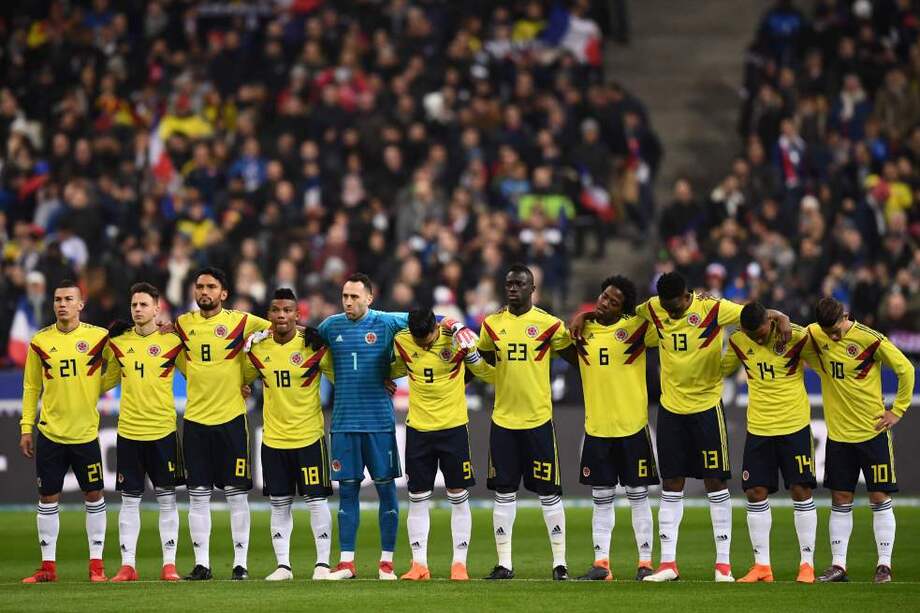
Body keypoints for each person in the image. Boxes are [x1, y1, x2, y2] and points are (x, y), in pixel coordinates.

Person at [571, 271, 792, 582]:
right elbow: (614, 313)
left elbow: (750, 313)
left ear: (687, 296)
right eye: (667, 308)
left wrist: (779, 316)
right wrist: (585, 315)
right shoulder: (653, 308)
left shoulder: (712, 309)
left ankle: (723, 566)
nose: (671, 313)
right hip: (671, 409)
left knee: (716, 483)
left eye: (675, 307)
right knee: (671, 484)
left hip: (706, 408)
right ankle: (668, 565)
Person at [316, 273, 476, 580]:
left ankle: (386, 564)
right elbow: (304, 344)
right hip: (344, 422)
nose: (348, 302)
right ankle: (346, 563)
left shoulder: (388, 322)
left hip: (380, 422)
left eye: (354, 297)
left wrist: (455, 324)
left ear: (369, 298)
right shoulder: (330, 326)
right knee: (347, 492)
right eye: (345, 296)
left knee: (387, 491)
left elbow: (428, 319)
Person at [477, 264, 580, 581]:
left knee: (549, 493)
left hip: (538, 420)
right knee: (504, 492)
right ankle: (504, 563)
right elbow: (482, 363)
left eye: (519, 284)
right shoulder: (492, 325)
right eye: (508, 283)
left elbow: (576, 359)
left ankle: (560, 563)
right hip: (504, 421)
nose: (512, 288)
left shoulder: (549, 325)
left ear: (532, 289)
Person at [807, 297, 914, 583]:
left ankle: (884, 565)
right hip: (839, 436)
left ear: (845, 315)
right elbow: (787, 329)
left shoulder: (870, 340)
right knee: (840, 498)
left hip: (872, 433)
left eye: (836, 330)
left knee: (879, 496)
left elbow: (906, 369)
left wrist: (898, 410)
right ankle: (838, 566)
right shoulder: (816, 333)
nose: (832, 336)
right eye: (827, 331)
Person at [174, 267, 271, 581]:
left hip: (231, 420)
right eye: (200, 286)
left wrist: (247, 376)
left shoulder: (241, 321)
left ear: (223, 293)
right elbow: (169, 350)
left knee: (236, 495)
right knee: (198, 495)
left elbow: (277, 331)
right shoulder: (181, 324)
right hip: (196, 422)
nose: (204, 292)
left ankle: (239, 563)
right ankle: (202, 564)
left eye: (211, 287)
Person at [20, 280, 118, 583]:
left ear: (81, 304)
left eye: (68, 299)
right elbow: (31, 387)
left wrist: (95, 388)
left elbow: (119, 365)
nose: (62, 304)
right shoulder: (39, 341)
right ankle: (48, 568)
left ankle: (97, 566)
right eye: (58, 299)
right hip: (50, 433)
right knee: (48, 498)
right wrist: (26, 427)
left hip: (86, 434)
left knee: (94, 495)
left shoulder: (99, 338)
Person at [390, 308, 494, 581]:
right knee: (417, 498)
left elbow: (487, 374)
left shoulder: (454, 338)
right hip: (418, 430)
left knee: (458, 496)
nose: (423, 344)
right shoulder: (402, 340)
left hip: (453, 429)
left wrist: (471, 354)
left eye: (427, 339)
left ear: (436, 328)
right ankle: (418, 565)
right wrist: (383, 377)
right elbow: (392, 366)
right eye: (418, 340)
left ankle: (459, 564)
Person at [721, 302, 819, 584]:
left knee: (801, 490)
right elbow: (722, 367)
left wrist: (784, 315)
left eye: (762, 333)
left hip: (794, 426)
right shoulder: (739, 340)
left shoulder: (796, 336)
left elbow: (825, 357)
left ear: (770, 321)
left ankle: (807, 564)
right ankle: (762, 566)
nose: (758, 339)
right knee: (755, 491)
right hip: (759, 428)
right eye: (753, 335)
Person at [243, 289, 334, 581]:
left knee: (316, 501)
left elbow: (341, 375)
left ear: (298, 315)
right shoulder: (257, 349)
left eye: (287, 310)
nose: (281, 315)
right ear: (268, 315)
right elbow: (241, 380)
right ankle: (283, 565)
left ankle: (322, 564)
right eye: (276, 310)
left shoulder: (313, 345)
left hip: (309, 437)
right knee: (279, 503)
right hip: (273, 440)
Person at [573, 275, 659, 581]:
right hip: (597, 428)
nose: (604, 302)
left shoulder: (637, 329)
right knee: (601, 498)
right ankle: (601, 564)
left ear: (625, 307)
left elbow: (664, 316)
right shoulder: (581, 331)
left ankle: (646, 563)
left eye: (613, 300)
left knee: (638, 496)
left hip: (632, 427)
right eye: (603, 296)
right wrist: (583, 316)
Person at [107, 283, 186, 582]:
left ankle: (169, 565)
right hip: (129, 431)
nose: (137, 309)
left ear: (157, 308)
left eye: (143, 304)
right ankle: (128, 565)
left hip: (163, 431)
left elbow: (198, 374)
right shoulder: (118, 343)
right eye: (134, 305)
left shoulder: (172, 343)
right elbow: (105, 381)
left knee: (167, 499)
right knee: (129, 500)